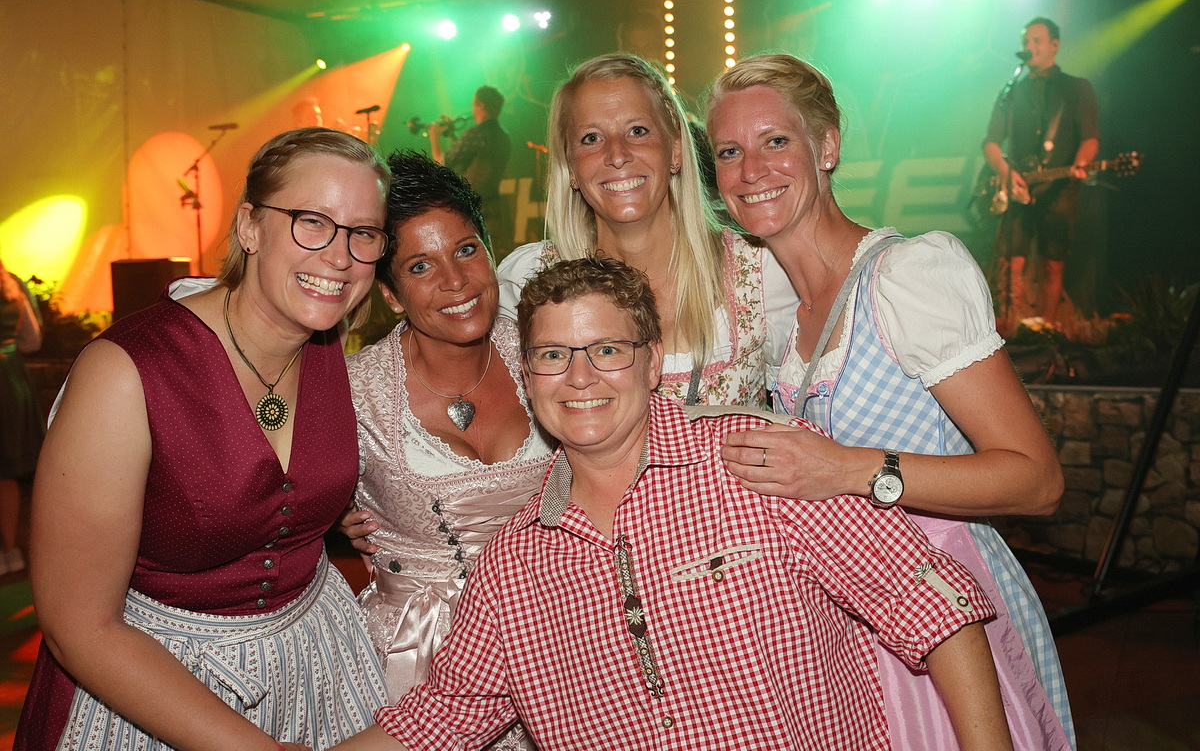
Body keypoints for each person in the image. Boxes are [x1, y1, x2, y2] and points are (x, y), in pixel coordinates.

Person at [332, 255, 1016, 751]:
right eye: (553, 356)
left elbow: (935, 607)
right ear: (528, 379)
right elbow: (442, 718)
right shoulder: (515, 564)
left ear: (653, 360)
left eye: (606, 349)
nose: (579, 377)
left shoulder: (757, 461)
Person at [707, 54, 1073, 749]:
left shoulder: (907, 277)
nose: (751, 169)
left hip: (949, 619)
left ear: (827, 147)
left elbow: (1037, 480)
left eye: (775, 141)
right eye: (729, 151)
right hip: (840, 629)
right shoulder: (775, 306)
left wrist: (848, 469)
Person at [16, 127, 390, 750]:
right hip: (150, 686)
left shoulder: (330, 341)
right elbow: (78, 625)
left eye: (364, 233)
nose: (340, 256)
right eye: (312, 222)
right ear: (249, 226)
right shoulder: (125, 373)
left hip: (318, 663)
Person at [341, 150, 553, 750]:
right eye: (420, 266)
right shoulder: (352, 392)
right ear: (390, 294)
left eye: (465, 250)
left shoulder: (549, 354)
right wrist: (335, 514)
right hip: (417, 663)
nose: (455, 281)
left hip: (558, 642)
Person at [497, 53, 796, 408]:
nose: (617, 155)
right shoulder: (527, 280)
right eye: (591, 138)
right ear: (570, 168)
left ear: (675, 150)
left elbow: (800, 415)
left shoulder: (761, 273)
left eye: (637, 131)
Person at [982, 17, 1099, 328]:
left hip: (1059, 187)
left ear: (1054, 45)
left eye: (1036, 41)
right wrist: (1005, 172)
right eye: (1025, 41)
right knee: (1009, 260)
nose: (1029, 46)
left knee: (1052, 261)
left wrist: (1082, 162)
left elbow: (1090, 137)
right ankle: (1010, 328)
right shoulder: (1012, 92)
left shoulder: (1076, 88)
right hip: (1018, 185)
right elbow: (991, 142)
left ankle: (1046, 330)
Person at [430, 86, 513, 256]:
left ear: (480, 105)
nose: (472, 109)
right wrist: (453, 136)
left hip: (471, 206)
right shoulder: (504, 136)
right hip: (494, 206)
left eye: (474, 104)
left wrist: (434, 136)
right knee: (494, 255)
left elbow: (441, 163)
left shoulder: (476, 134)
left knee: (471, 255)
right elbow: (473, 155)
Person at [0, 252, 43, 576]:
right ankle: (11, 550)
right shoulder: (12, 284)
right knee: (7, 470)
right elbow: (32, 340)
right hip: (10, 377)